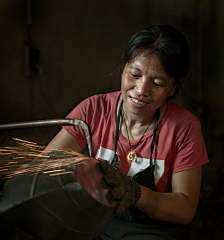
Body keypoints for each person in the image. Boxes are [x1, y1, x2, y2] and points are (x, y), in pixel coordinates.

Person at [43, 25, 209, 239]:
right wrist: (82, 172)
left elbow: (185, 210)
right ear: (124, 69)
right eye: (135, 74)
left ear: (174, 88)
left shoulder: (184, 128)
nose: (141, 90)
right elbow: (46, 165)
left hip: (149, 231)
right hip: (93, 223)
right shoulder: (94, 109)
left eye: (157, 83)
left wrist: (135, 193)